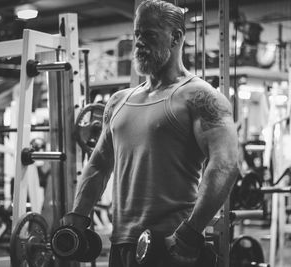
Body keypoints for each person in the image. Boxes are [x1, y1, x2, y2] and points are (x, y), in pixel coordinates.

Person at [64, 0, 238, 266]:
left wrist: (191, 231)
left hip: (168, 246)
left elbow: (225, 164)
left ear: (176, 37)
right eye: (137, 34)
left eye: (149, 35)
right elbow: (99, 164)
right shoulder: (119, 100)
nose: (139, 43)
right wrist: (78, 216)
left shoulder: (199, 96)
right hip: (121, 244)